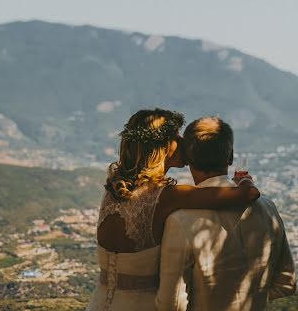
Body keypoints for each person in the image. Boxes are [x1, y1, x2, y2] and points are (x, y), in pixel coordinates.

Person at [86, 108, 260, 311]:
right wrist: (244, 180)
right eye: (176, 136)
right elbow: (249, 195)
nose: (182, 141)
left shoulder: (115, 188)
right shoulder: (167, 196)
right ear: (161, 147)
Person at [155, 116, 296, 311]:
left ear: (188, 158)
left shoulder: (181, 221)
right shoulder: (267, 209)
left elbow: (171, 304)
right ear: (230, 157)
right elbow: (286, 284)